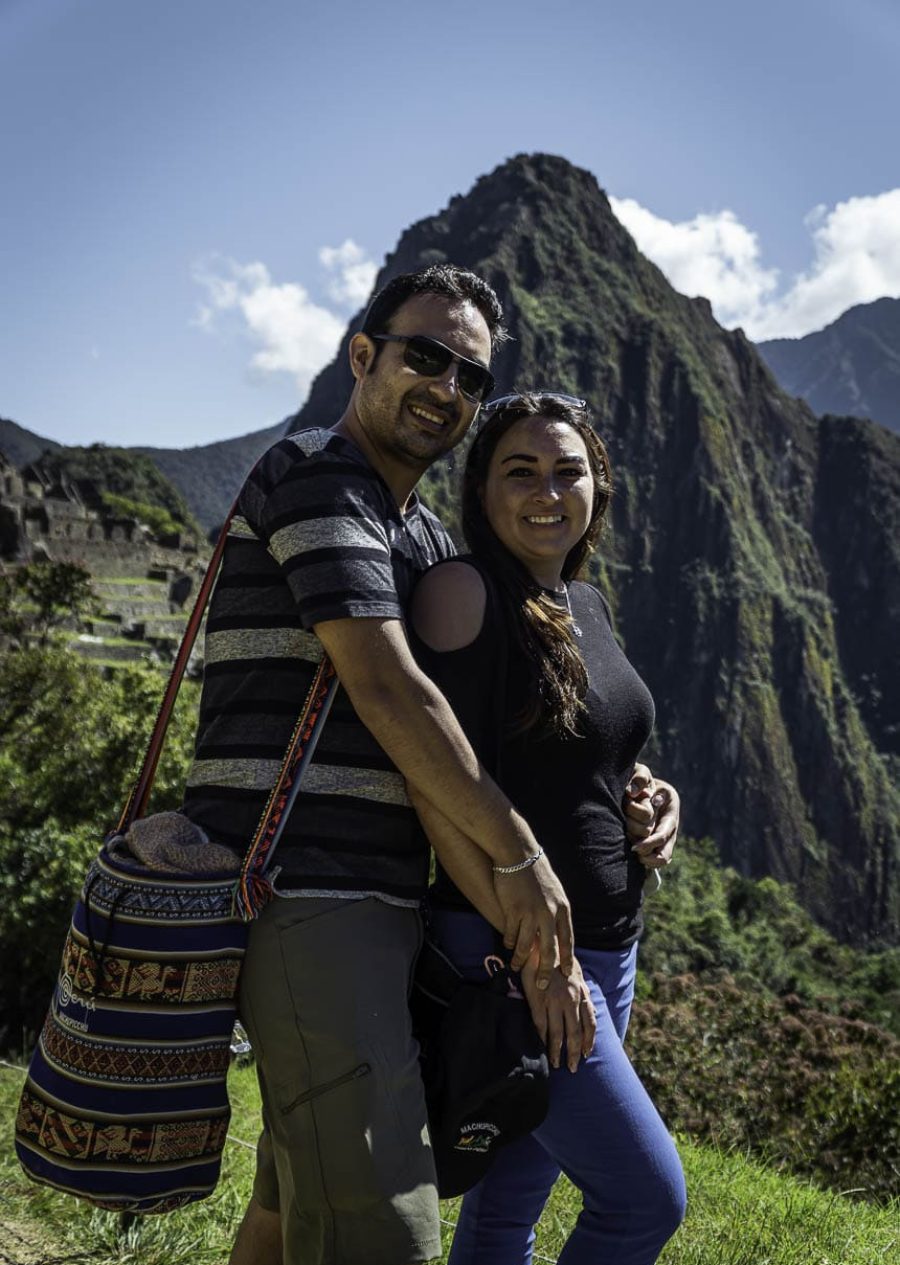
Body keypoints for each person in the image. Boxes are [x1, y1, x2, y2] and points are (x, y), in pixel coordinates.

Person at [182, 264, 678, 1265]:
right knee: (386, 1232)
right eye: (424, 354)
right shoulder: (322, 475)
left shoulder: (415, 532)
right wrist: (524, 867)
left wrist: (642, 794)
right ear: (363, 354)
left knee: (288, 1204)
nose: (445, 383)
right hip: (311, 895)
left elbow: (530, 742)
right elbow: (391, 690)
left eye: (468, 371)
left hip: (382, 897)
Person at [408, 392, 687, 1265]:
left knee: (504, 1213)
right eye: (519, 470)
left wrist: (652, 794)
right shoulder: (465, 592)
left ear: (597, 487)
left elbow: (581, 754)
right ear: (480, 490)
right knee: (645, 1199)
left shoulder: (581, 600)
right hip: (517, 954)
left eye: (568, 470)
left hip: (608, 948)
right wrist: (540, 957)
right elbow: (437, 779)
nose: (547, 490)